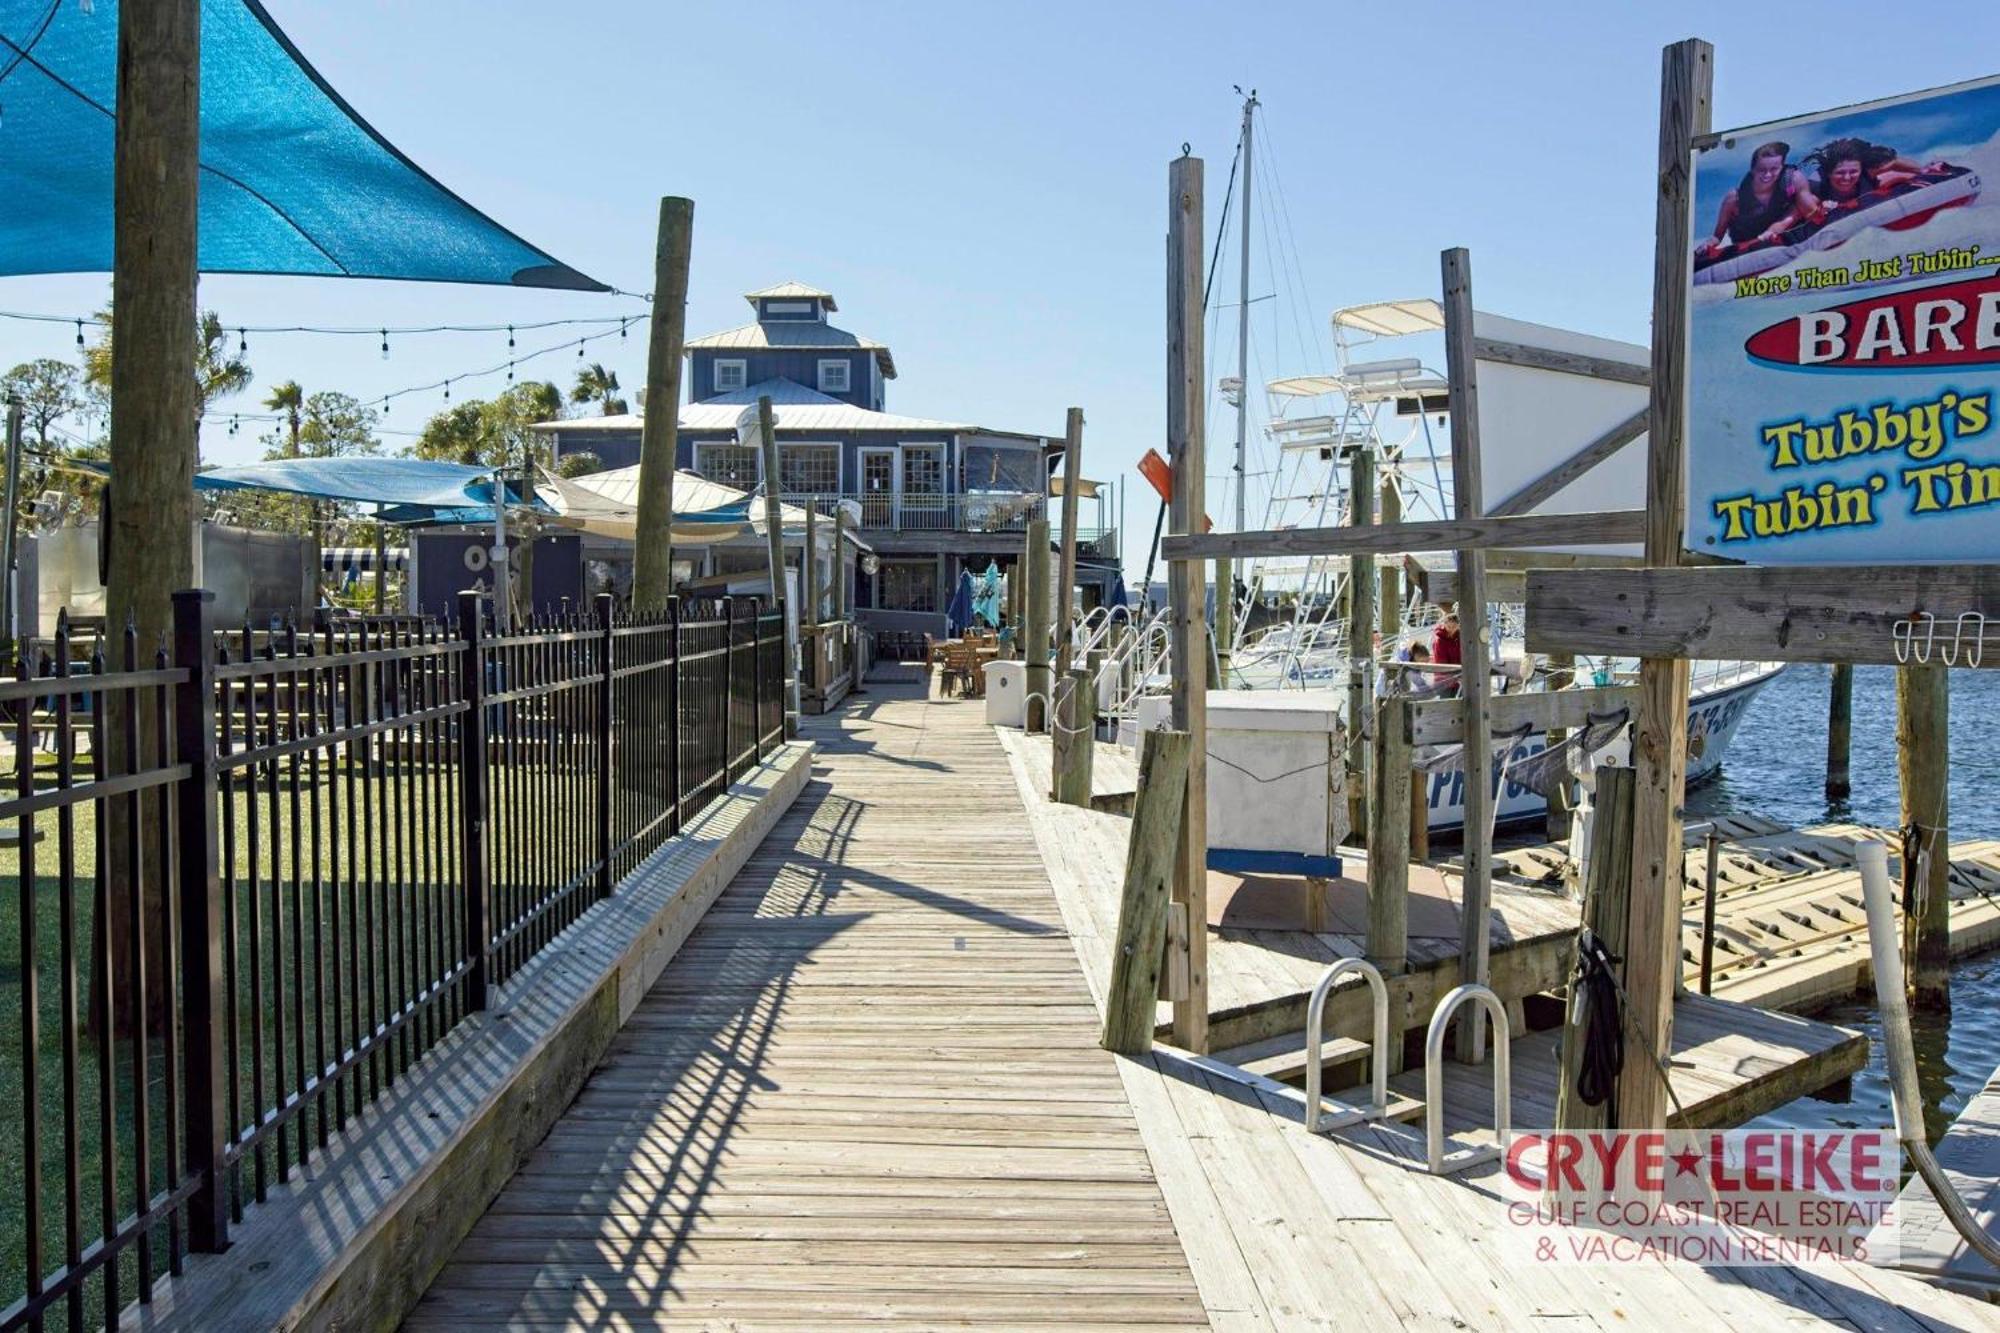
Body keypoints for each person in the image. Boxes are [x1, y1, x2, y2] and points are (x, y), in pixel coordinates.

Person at [1698, 141, 1815, 256]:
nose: (1767, 175)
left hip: (1786, 235)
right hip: (1750, 246)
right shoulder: (1734, 199)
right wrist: (1709, 243)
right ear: (1753, 169)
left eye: (1774, 169)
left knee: (1805, 203)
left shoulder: (1794, 180)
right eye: (1762, 169)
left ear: (1782, 167)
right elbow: (1717, 236)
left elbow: (1811, 210)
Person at [1803, 137, 1931, 216]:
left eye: (1853, 172)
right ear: (1829, 173)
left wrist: (1922, 170)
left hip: (1868, 189)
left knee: (1895, 176)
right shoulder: (1816, 185)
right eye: (1840, 173)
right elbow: (1804, 208)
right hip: (1834, 203)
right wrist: (1819, 210)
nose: (1847, 178)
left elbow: (1894, 161)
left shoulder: (1868, 170)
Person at [1430, 606, 1462, 696]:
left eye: (1454, 626)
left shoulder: (1460, 637)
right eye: (1449, 626)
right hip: (1444, 681)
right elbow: (1441, 662)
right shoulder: (1439, 640)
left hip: (1460, 679)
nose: (1451, 629)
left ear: (1458, 626)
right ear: (1444, 624)